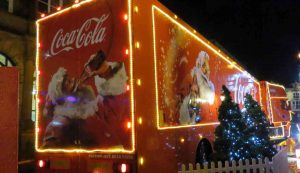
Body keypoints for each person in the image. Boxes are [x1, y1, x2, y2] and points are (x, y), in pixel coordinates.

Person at [42, 67, 122, 148]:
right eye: (64, 85)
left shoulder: (91, 105)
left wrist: (104, 71)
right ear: (64, 96)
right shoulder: (62, 120)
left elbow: (109, 99)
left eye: (67, 78)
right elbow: (49, 148)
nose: (69, 81)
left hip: (110, 150)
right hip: (97, 153)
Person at [84, 50, 130, 147]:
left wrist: (96, 71)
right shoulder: (102, 85)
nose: (103, 74)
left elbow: (114, 69)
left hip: (116, 107)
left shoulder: (114, 78)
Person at [178, 51, 215, 125]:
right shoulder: (194, 75)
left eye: (207, 66)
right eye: (204, 65)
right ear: (199, 64)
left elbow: (209, 99)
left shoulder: (208, 84)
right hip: (190, 113)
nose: (206, 69)